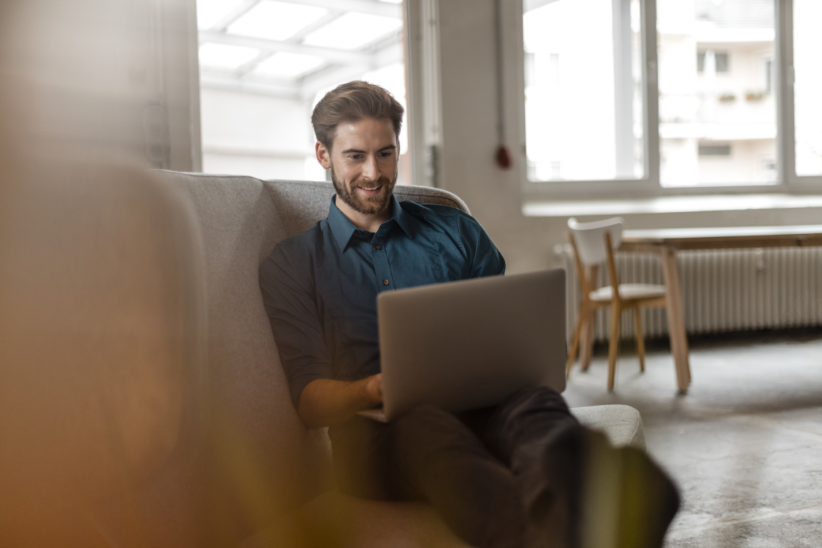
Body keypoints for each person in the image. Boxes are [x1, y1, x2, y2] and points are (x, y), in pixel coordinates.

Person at [259, 81, 679, 548]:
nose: (374, 172)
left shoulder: (455, 230)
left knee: (535, 407)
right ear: (324, 155)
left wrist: (523, 356)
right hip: (377, 439)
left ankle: (608, 495)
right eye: (355, 156)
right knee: (423, 426)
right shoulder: (294, 263)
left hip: (484, 404)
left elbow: (502, 329)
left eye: (385, 153)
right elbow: (311, 401)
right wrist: (374, 387)